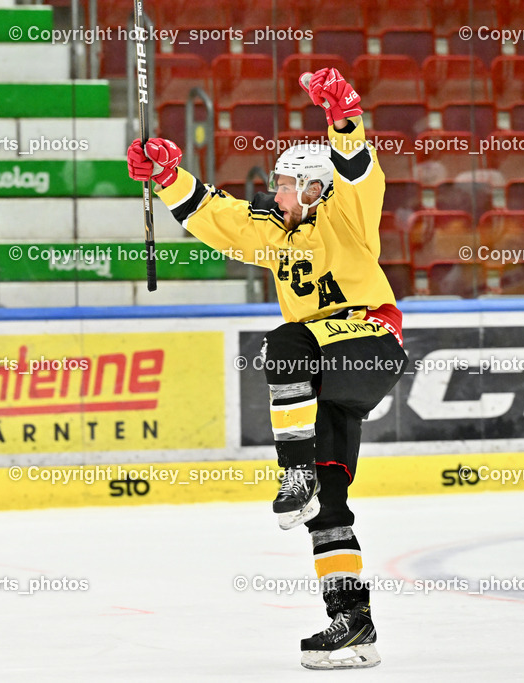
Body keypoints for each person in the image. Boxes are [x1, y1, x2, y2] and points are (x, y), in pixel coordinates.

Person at [126, 67, 406, 669]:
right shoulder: (274, 231)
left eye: (284, 184)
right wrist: (169, 178)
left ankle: (293, 473)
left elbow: (357, 170)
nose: (273, 191)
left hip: (371, 340)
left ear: (313, 188)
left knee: (282, 343)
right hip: (324, 367)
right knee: (330, 508)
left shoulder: (346, 214)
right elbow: (217, 215)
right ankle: (352, 622)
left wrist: (344, 116)